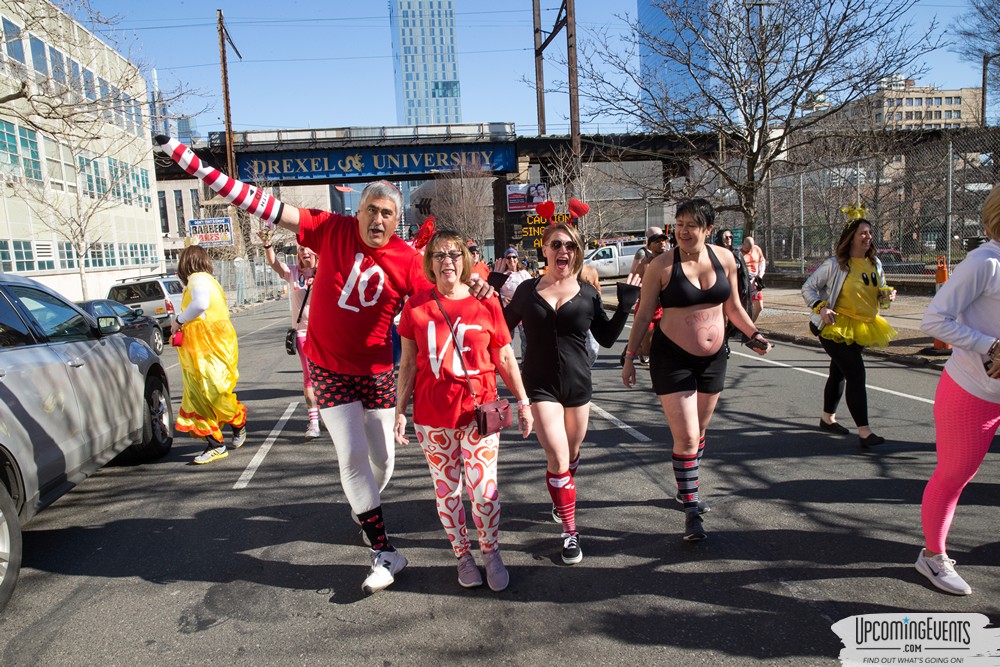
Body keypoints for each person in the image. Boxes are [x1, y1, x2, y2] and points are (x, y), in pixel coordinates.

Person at [155, 135, 494, 595]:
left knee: (383, 461)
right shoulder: (329, 227)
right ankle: (383, 548)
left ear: (397, 221)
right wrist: (191, 161)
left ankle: (365, 509)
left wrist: (478, 287)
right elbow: (260, 203)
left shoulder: (410, 260)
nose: (378, 219)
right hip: (330, 369)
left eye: (387, 213)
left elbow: (447, 287)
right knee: (351, 457)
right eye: (371, 209)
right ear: (358, 210)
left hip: (377, 372)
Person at [621, 199, 771, 542]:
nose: (684, 231)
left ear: (707, 229)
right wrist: (630, 357)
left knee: (699, 431)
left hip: (714, 358)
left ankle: (685, 484)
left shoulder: (725, 259)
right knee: (687, 436)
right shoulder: (660, 265)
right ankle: (691, 509)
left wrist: (754, 334)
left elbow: (733, 306)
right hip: (671, 358)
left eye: (692, 224)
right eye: (679, 223)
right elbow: (644, 315)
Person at [394, 230, 533, 592]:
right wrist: (399, 412)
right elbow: (407, 364)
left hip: (479, 413)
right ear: (430, 263)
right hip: (432, 416)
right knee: (448, 492)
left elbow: (504, 355)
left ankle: (491, 552)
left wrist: (523, 401)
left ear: (465, 260)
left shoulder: (485, 303)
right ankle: (463, 555)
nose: (447, 262)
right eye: (439, 255)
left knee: (484, 489)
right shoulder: (416, 307)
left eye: (454, 254)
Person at [504, 222, 640, 564]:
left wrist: (624, 307)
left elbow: (606, 338)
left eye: (570, 246)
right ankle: (569, 532)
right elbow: (499, 328)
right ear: (545, 250)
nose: (563, 251)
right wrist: (482, 300)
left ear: (576, 252)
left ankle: (559, 494)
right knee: (558, 457)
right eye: (556, 245)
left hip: (578, 385)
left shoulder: (588, 293)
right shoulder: (525, 291)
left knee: (571, 454)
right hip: (539, 385)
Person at [913, 185, 1000, 596]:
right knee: (954, 476)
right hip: (973, 391)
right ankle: (932, 557)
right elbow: (933, 320)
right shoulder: (985, 262)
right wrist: (990, 346)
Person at [801, 213, 896, 448]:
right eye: (862, 233)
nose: (868, 237)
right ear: (851, 237)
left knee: (838, 372)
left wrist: (887, 296)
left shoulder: (875, 263)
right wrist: (821, 308)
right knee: (856, 374)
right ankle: (864, 432)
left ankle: (827, 418)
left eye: (869, 233)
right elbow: (808, 287)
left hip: (863, 327)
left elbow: (879, 296)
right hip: (835, 328)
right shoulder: (835, 265)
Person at [170, 244, 248, 464]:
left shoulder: (197, 279)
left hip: (205, 348)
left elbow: (201, 305)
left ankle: (235, 425)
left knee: (208, 393)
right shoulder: (210, 280)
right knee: (204, 394)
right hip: (209, 345)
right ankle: (217, 442)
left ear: (187, 263)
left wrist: (178, 320)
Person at [259, 233, 321, 438]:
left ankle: (337, 416)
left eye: (308, 248)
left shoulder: (326, 270)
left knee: (331, 377)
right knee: (309, 377)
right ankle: (314, 422)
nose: (304, 252)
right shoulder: (293, 272)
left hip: (326, 333)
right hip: (303, 333)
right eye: (301, 248)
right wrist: (267, 244)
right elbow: (274, 263)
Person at [498, 247, 533, 358]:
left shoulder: (524, 274)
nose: (511, 260)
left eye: (514, 257)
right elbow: (496, 291)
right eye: (508, 257)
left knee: (525, 338)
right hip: (509, 311)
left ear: (517, 259)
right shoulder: (502, 275)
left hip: (523, 311)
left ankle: (525, 361)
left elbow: (531, 288)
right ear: (505, 260)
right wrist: (503, 298)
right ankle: (509, 361)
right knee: (508, 339)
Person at [741, 235, 766, 322]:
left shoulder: (757, 249)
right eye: (747, 248)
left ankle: (751, 325)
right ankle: (743, 327)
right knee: (744, 307)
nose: (749, 250)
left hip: (755, 281)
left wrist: (760, 275)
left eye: (751, 248)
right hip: (743, 281)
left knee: (759, 307)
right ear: (743, 244)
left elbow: (762, 261)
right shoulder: (738, 252)